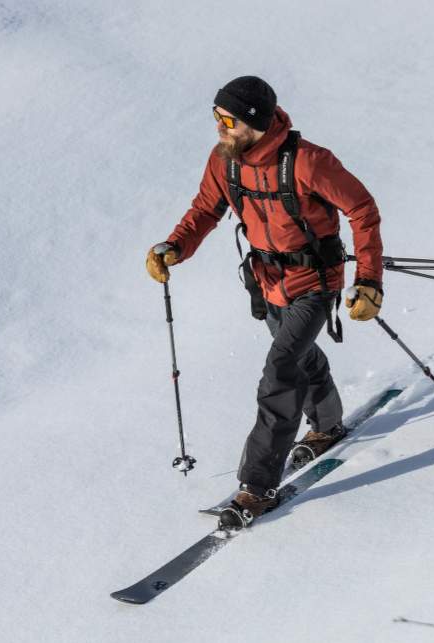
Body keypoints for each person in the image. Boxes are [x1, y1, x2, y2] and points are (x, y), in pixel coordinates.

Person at [145, 76, 384, 527]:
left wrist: (369, 281)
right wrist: (175, 247)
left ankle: (257, 486)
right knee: (297, 356)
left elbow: (362, 209)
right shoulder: (225, 161)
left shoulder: (309, 162)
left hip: (315, 280)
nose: (219, 127)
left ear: (253, 120)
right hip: (266, 280)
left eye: (228, 119)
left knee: (280, 371)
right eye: (216, 117)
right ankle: (328, 423)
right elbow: (204, 210)